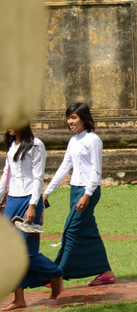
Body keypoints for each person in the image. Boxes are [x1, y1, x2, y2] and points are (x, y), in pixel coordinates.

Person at [42, 102, 116, 286]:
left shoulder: (93, 140)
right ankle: (106, 272)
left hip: (87, 191)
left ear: (84, 119)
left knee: (71, 230)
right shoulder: (74, 141)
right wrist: (47, 192)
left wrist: (87, 194)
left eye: (74, 117)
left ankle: (57, 274)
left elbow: (96, 171)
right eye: (68, 118)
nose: (70, 121)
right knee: (88, 231)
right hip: (75, 190)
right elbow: (64, 167)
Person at [1, 125, 63, 311]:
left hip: (28, 200)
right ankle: (19, 298)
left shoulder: (36, 145)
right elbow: (6, 174)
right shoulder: (12, 145)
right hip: (11, 201)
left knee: (26, 252)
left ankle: (54, 274)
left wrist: (33, 205)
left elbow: (38, 178)